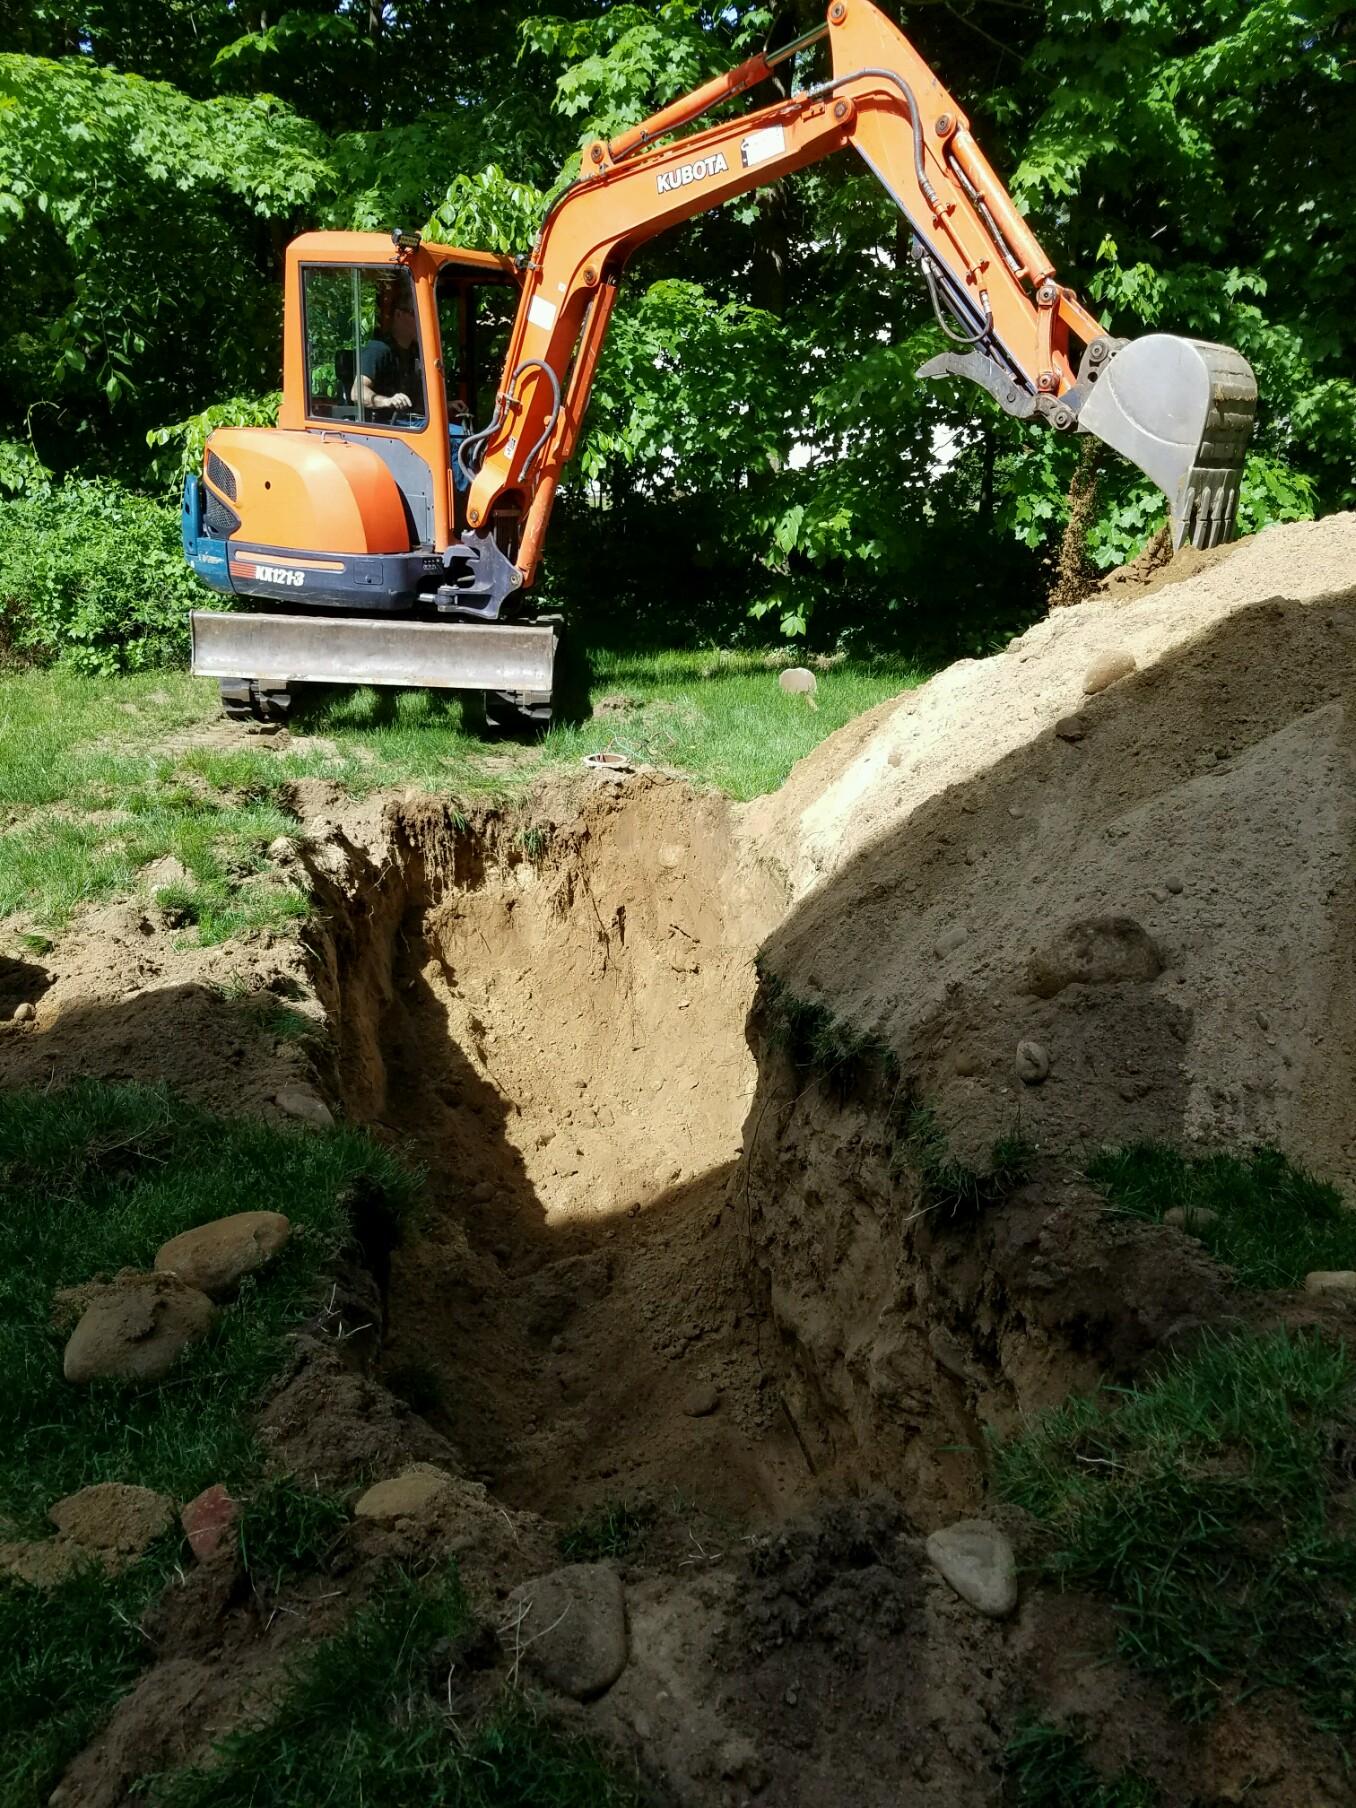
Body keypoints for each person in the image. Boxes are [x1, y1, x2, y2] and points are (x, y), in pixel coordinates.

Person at [352, 287, 424, 419]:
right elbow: (357, 392)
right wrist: (387, 401)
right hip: (387, 428)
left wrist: (445, 405)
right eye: (416, 314)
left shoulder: (416, 353)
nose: (422, 321)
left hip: (413, 422)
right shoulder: (378, 349)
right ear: (398, 315)